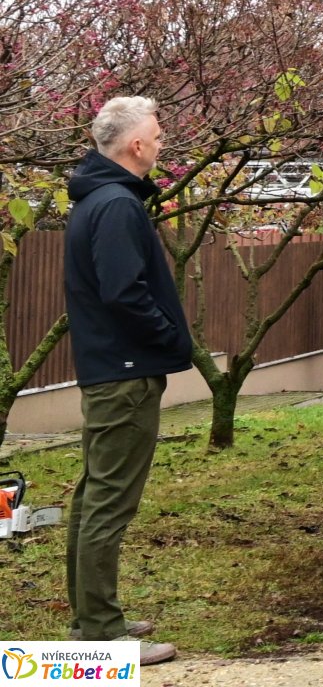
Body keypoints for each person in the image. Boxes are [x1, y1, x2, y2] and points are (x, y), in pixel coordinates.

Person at [62, 95, 190, 666]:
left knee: (95, 496)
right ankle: (101, 634)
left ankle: (91, 619)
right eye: (157, 137)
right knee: (109, 501)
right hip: (125, 372)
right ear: (136, 145)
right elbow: (123, 292)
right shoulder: (116, 204)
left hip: (112, 369)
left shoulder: (100, 198)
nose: (161, 144)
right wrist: (167, 338)